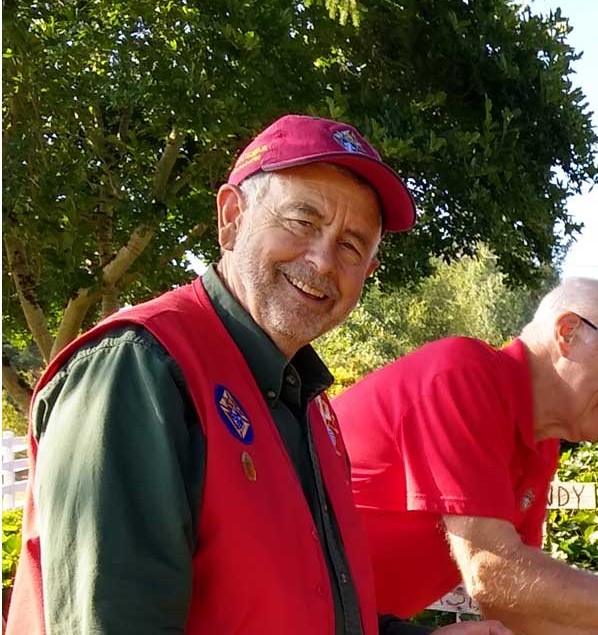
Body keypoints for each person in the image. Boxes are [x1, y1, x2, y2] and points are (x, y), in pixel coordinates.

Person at [6, 114, 505, 635]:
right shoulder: (141, 367)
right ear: (231, 218)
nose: (323, 260)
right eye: (302, 222)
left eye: (352, 245)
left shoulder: (308, 405)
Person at [332, 278, 598, 635]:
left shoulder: (540, 442)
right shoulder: (463, 375)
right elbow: (492, 571)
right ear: (568, 333)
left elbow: (519, 604)